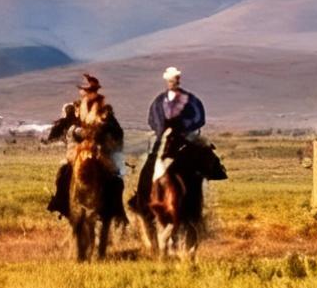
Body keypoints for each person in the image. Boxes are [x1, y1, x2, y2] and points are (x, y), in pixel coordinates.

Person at [131, 66, 212, 215]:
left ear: (178, 81)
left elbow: (199, 117)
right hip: (163, 135)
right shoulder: (159, 100)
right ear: (166, 82)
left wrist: (184, 126)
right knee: (150, 158)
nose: (172, 83)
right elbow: (153, 117)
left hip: (184, 134)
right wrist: (161, 129)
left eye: (174, 80)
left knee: (201, 151)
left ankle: (207, 177)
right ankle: (141, 197)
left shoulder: (190, 99)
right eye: (170, 80)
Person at [46, 73, 126, 220]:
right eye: (85, 89)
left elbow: (116, 130)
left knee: (115, 176)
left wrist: (103, 131)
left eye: (91, 89)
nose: (87, 92)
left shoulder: (105, 110)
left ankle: (115, 208)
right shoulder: (75, 108)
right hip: (78, 149)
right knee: (63, 171)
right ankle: (62, 202)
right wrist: (72, 132)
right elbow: (64, 125)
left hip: (98, 149)